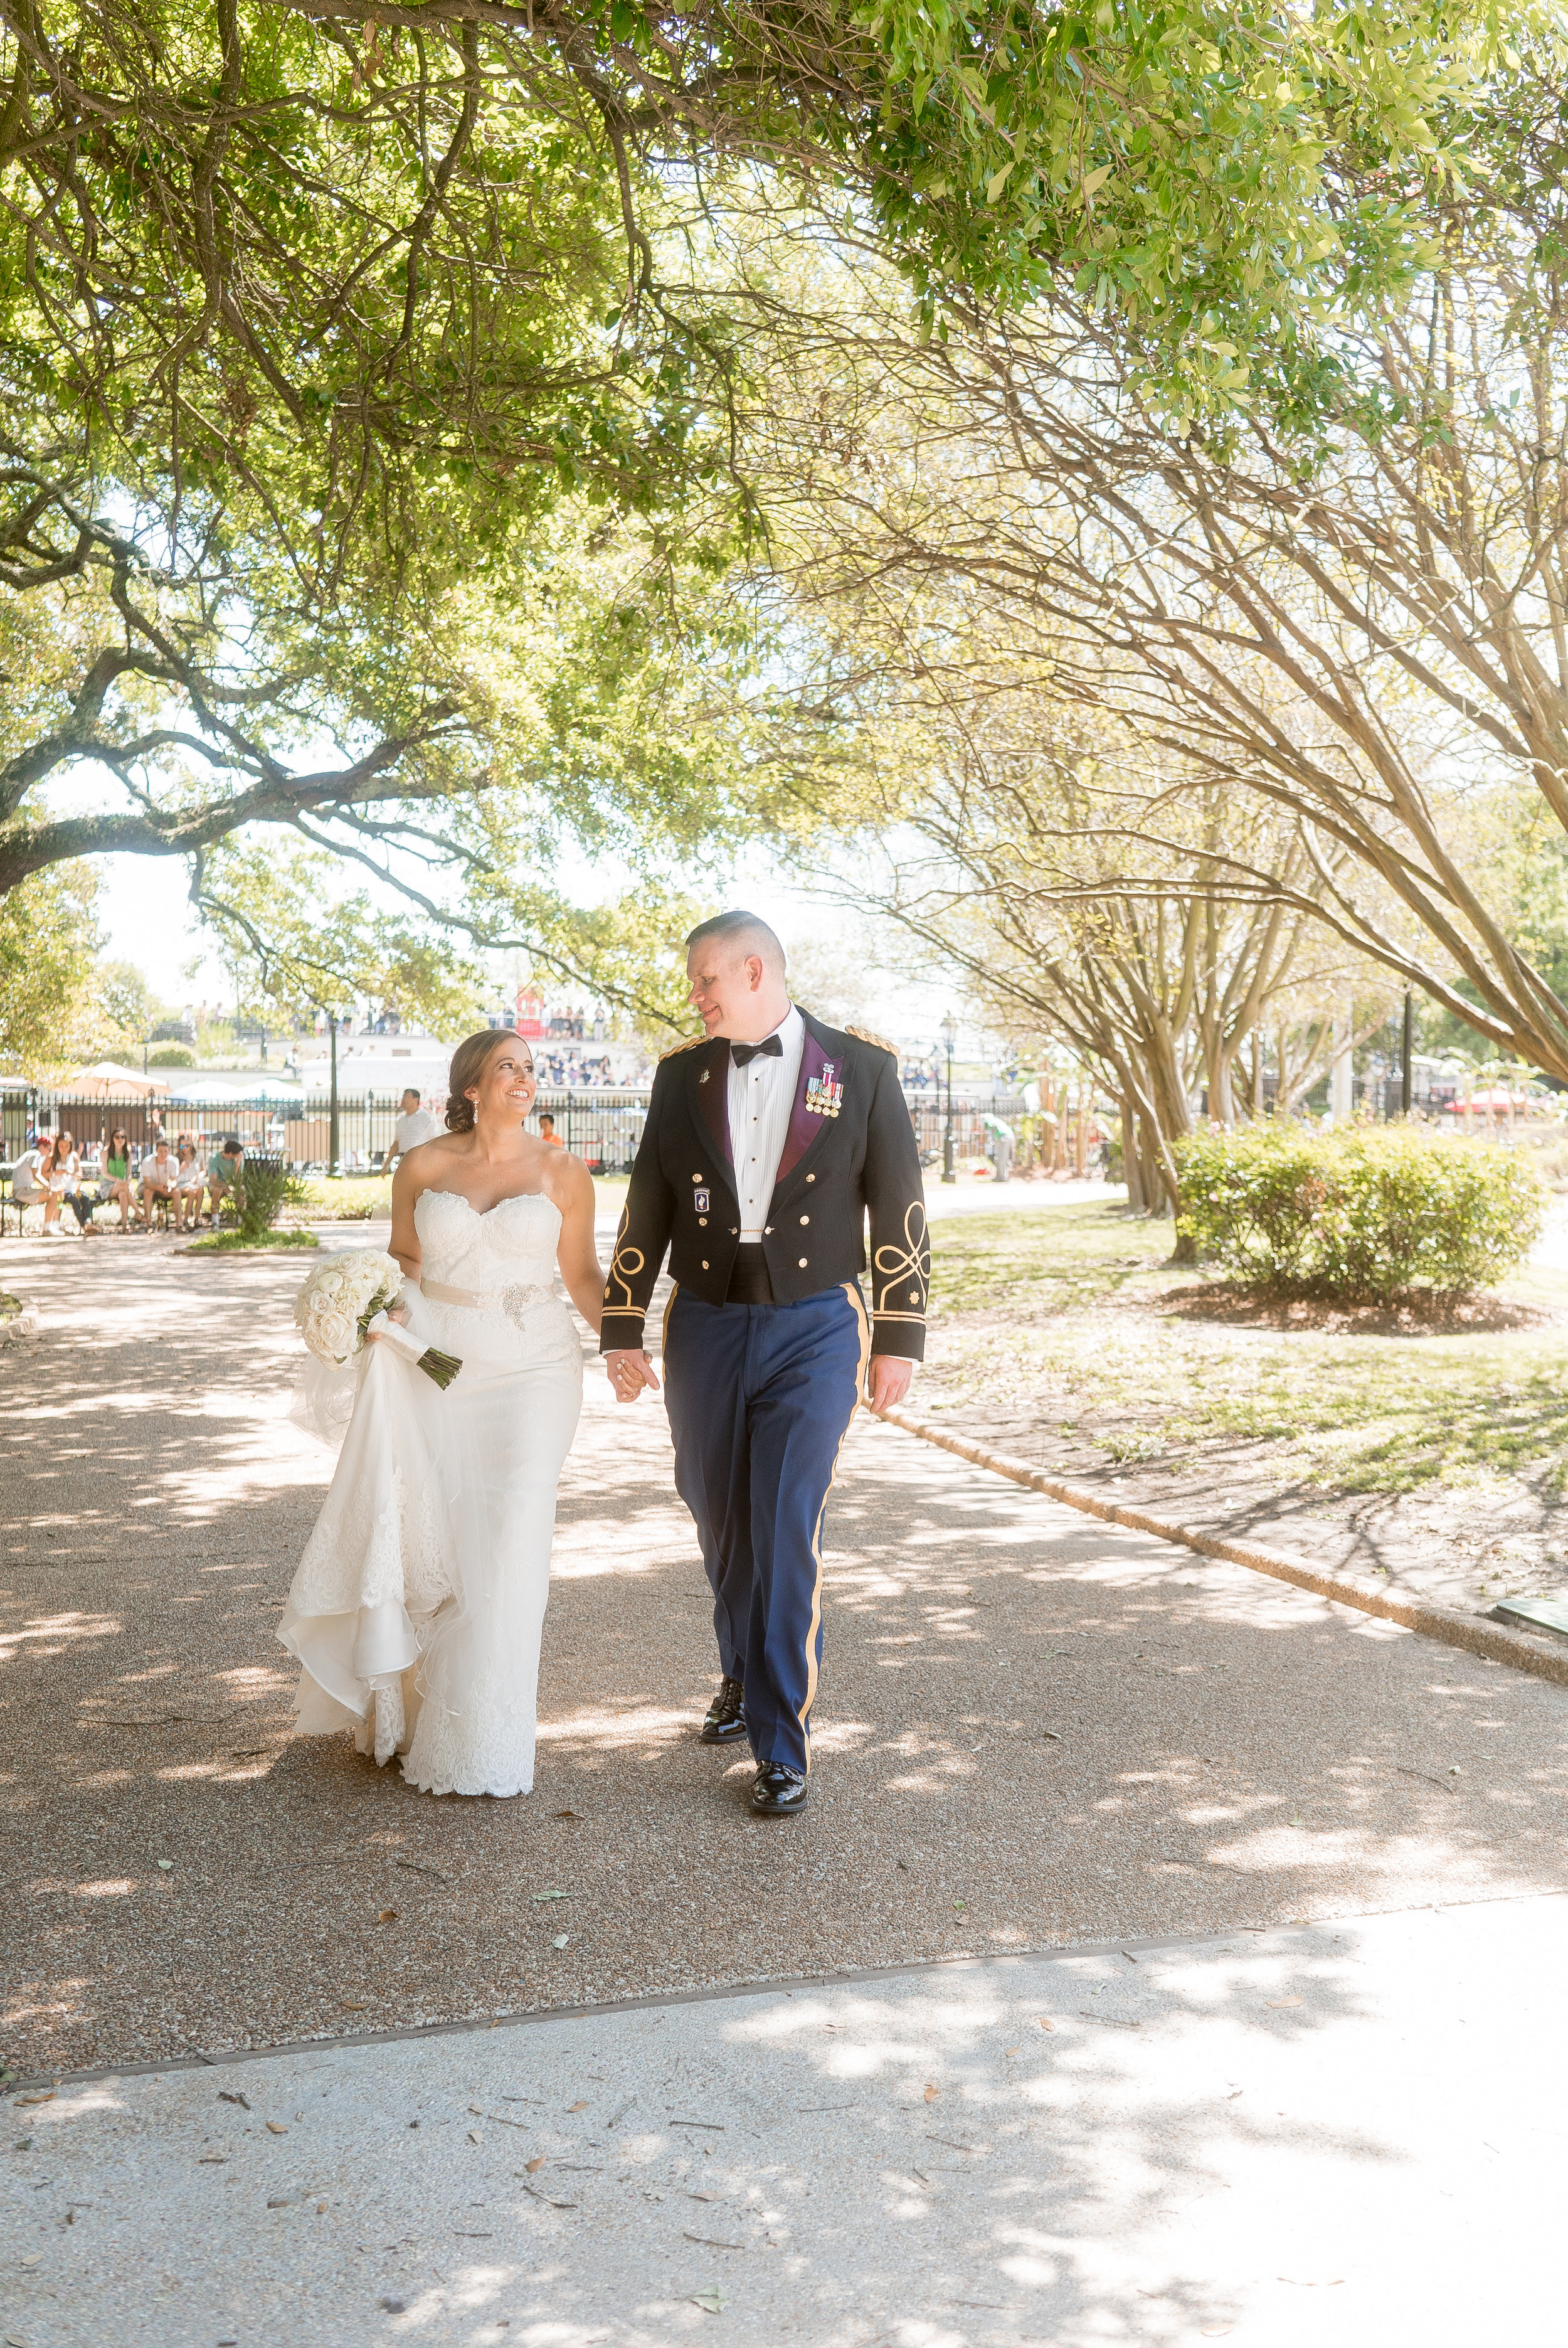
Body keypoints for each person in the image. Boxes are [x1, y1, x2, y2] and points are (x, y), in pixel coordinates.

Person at [601, 911, 928, 1819]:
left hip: (816, 1324)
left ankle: (783, 1741)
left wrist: (900, 1336)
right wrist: (622, 1325)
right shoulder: (681, 1076)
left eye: (705, 980)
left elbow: (899, 1205)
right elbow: (647, 1206)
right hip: (704, 1321)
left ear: (755, 970)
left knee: (784, 1525)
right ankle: (741, 1673)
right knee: (718, 1515)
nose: (696, 997)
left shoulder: (860, 1070)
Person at [279, 1028, 606, 1797]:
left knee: (512, 1533)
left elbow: (585, 1273)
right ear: (471, 1084)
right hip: (439, 1365)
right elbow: (407, 1261)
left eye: (529, 1069)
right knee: (446, 1540)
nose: (523, 1080)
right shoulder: (423, 1163)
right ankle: (426, 1709)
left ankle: (482, 1741)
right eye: (507, 1068)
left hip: (533, 1367)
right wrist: (370, 1309)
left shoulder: (563, 1170)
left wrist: (629, 1342)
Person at [385, 1088, 440, 1169]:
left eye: (407, 1097)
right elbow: (396, 1144)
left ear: (416, 1099)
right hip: (402, 1161)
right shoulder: (401, 1121)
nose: (404, 1100)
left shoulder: (426, 1118)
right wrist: (386, 1164)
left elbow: (434, 1141)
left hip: (420, 1162)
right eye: (403, 1097)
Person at [43, 1131, 82, 1236]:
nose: (64, 1149)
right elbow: (43, 1173)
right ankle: (54, 1225)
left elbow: (80, 1174)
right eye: (61, 1146)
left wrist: (72, 1173)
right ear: (57, 1146)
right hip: (57, 1188)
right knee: (58, 1198)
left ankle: (84, 1225)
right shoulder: (52, 1158)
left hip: (70, 1188)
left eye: (67, 1146)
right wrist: (55, 1173)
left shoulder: (73, 1156)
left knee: (80, 1198)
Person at [11, 1130, 53, 1226]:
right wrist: (48, 1186)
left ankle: (50, 1226)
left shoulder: (30, 1154)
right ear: (42, 1147)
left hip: (21, 1190)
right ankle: (48, 1227)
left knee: (51, 1194)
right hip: (23, 1191)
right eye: (49, 1148)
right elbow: (36, 1175)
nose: (50, 1151)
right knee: (53, 1196)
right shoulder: (36, 1155)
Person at [98, 1129, 136, 1231]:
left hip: (121, 1186)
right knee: (124, 1187)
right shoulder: (106, 1153)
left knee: (123, 1194)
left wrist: (127, 1182)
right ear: (112, 1139)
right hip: (107, 1185)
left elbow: (129, 1175)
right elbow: (104, 1173)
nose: (120, 1139)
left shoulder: (128, 1156)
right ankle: (138, 1212)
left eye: (123, 1137)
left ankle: (125, 1225)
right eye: (117, 1137)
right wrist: (117, 1180)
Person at [138, 1137, 178, 1225]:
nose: (163, 1154)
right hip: (147, 1187)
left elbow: (174, 1180)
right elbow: (147, 1183)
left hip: (163, 1187)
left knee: (177, 1192)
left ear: (169, 1151)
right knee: (149, 1192)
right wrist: (158, 1188)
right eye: (160, 1151)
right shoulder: (148, 1161)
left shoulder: (173, 1161)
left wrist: (171, 1187)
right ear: (156, 1151)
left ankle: (179, 1224)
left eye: (165, 1151)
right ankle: (149, 1222)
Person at [206, 1137, 245, 1219]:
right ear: (231, 1153)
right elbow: (214, 1180)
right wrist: (225, 1186)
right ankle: (215, 1222)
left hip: (232, 1185)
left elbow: (239, 1180)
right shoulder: (214, 1158)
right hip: (218, 1185)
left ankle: (240, 1220)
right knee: (217, 1191)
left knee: (242, 1192)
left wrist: (237, 1166)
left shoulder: (238, 1160)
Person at [174, 1137, 206, 1230]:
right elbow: (173, 1176)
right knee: (191, 1192)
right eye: (181, 1146)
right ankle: (186, 1220)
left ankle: (197, 1218)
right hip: (181, 1183)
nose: (184, 1149)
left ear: (191, 1145)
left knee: (200, 1190)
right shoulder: (176, 1158)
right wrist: (181, 1168)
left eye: (187, 1146)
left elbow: (203, 1170)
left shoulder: (198, 1156)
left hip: (194, 1182)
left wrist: (197, 1177)